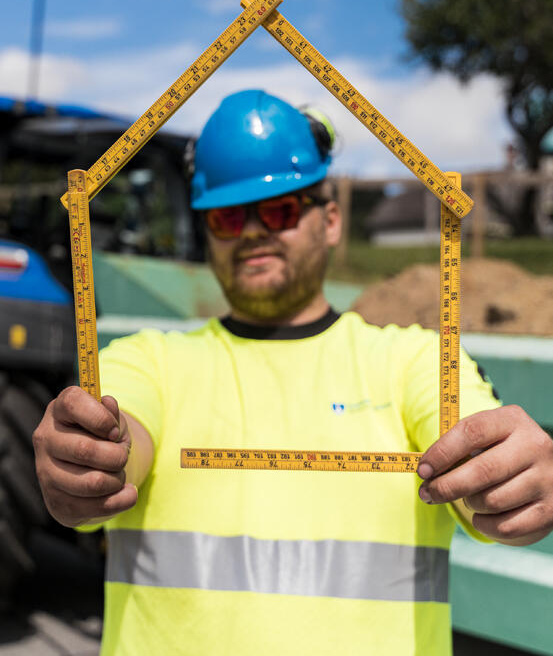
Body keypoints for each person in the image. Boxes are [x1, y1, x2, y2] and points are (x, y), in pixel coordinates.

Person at [33, 90, 553, 656]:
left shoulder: (414, 362)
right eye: (229, 216)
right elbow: (118, 440)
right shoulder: (146, 361)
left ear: (330, 221)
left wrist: (510, 478)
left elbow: (473, 450)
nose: (254, 231)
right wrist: (86, 463)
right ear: (208, 233)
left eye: (279, 210)